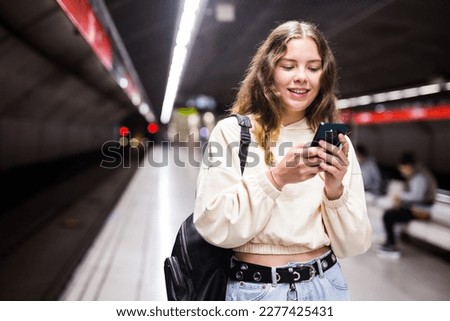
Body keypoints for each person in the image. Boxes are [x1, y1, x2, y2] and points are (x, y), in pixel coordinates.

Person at [193, 20, 372, 301]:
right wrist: (276, 178)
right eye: (288, 66)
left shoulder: (335, 143)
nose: (302, 77)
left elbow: (355, 244)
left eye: (313, 68)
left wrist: (335, 190)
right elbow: (213, 225)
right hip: (258, 290)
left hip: (328, 286)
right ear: (268, 72)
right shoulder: (233, 133)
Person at [376, 152, 437, 259]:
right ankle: (390, 242)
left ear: (408, 166)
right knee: (391, 213)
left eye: (402, 168)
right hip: (417, 208)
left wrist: (400, 196)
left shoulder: (419, 177)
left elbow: (417, 196)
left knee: (389, 216)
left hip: (421, 210)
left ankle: (391, 245)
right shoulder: (417, 174)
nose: (401, 171)